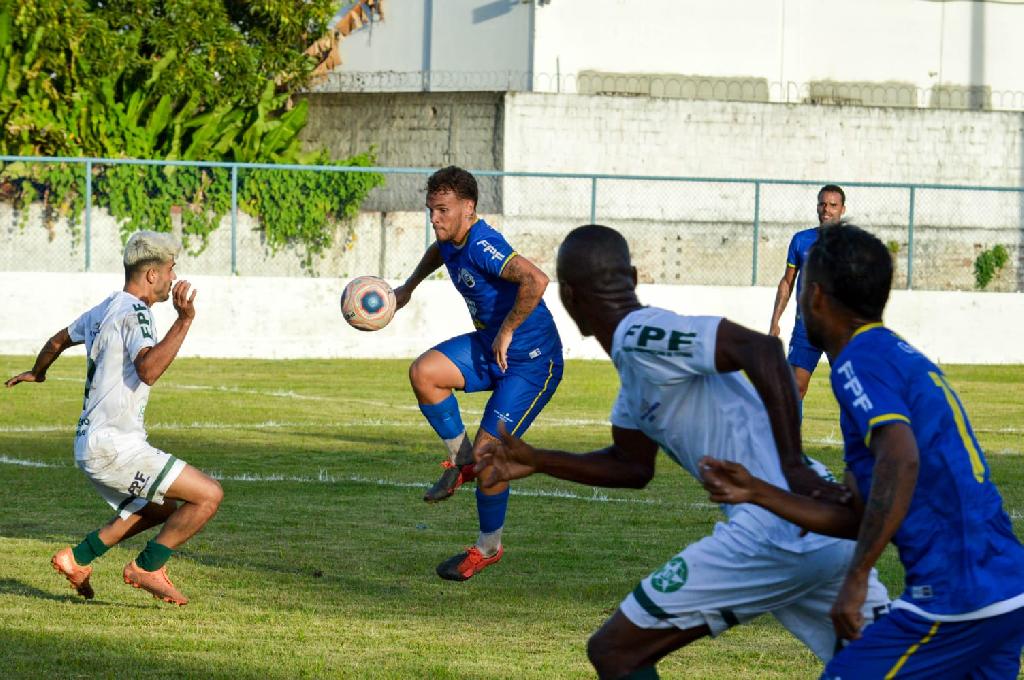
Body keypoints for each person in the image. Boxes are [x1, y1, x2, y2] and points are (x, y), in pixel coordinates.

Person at [474, 224, 888, 679]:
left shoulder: (640, 336)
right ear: (632, 276)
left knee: (616, 652)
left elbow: (763, 349)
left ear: (569, 297)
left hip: (771, 529)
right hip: (818, 523)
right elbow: (631, 466)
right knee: (885, 666)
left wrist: (790, 464)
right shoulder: (636, 373)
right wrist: (537, 460)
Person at [702, 224, 1024, 679]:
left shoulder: (859, 359)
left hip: (957, 594)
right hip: (1006, 588)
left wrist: (856, 580)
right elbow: (859, 514)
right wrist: (756, 492)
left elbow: (901, 457)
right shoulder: (894, 352)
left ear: (813, 296)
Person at [6, 230, 223, 606]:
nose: (173, 278)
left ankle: (77, 558)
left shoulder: (105, 307)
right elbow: (149, 369)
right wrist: (185, 320)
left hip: (90, 443)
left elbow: (58, 340)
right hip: (114, 446)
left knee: (158, 507)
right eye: (171, 270)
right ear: (152, 274)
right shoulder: (137, 312)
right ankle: (148, 568)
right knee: (208, 496)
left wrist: (38, 371)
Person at [394, 166, 563, 581]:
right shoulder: (451, 239)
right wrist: (408, 287)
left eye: (443, 211)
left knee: (492, 459)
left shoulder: (484, 243)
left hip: (531, 361)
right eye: (431, 210)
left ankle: (488, 548)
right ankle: (460, 460)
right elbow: (440, 252)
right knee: (425, 373)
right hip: (492, 346)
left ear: (468, 209)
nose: (435, 219)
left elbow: (536, 280)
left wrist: (507, 330)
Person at [769, 184, 846, 402]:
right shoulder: (801, 240)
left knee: (848, 390)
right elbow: (787, 282)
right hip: (807, 327)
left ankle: (856, 437)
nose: (827, 210)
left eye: (833, 205)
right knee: (795, 388)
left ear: (842, 209)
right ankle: (789, 437)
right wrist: (775, 321)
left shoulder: (853, 243)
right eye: (822, 204)